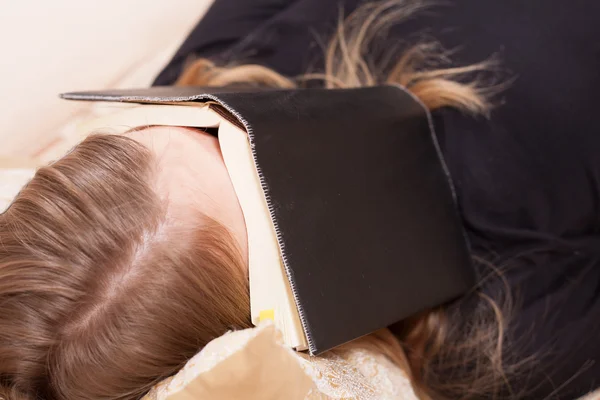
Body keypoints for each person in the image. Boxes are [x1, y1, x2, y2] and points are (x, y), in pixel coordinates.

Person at [1, 1, 598, 399]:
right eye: (260, 177)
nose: (221, 125)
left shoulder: (213, 70)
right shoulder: (499, 331)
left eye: (209, 127)